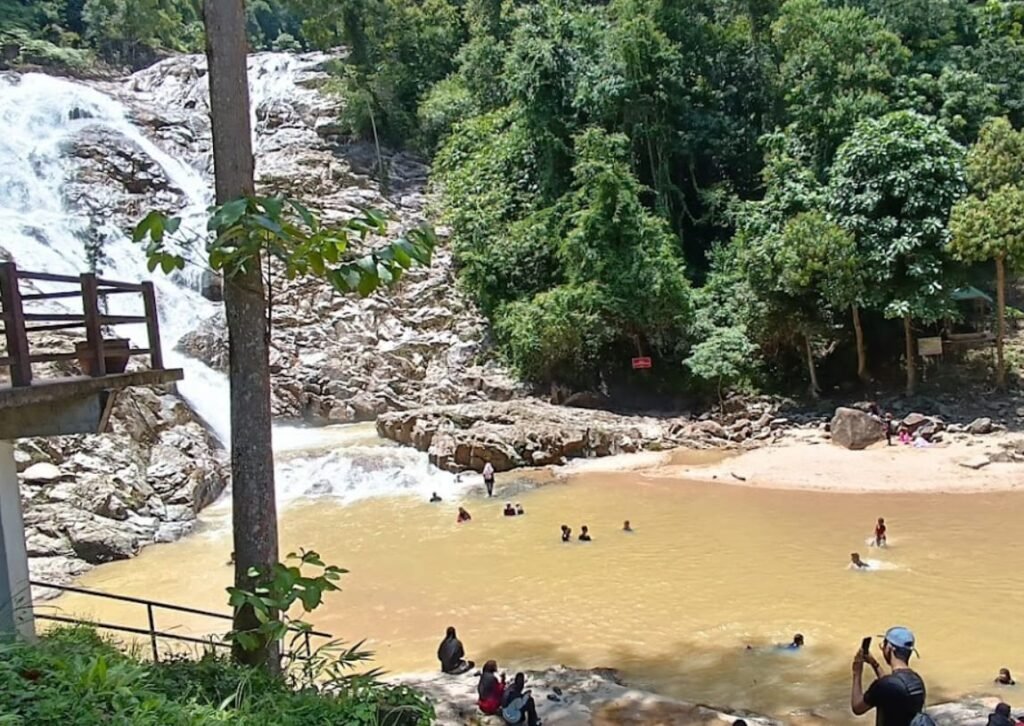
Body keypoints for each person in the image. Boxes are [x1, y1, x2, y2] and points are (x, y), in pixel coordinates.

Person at [852, 626, 927, 726]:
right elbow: (890, 687)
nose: (883, 648)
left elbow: (857, 708)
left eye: (884, 644)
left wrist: (857, 673)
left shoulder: (886, 686)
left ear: (890, 648)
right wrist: (874, 664)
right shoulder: (917, 681)